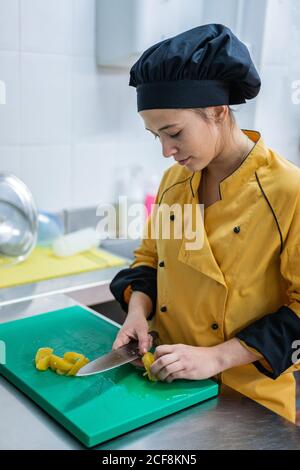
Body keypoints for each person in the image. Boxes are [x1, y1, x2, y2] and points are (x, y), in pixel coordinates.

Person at [110, 24, 300, 423]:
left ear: (217, 111)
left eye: (173, 132)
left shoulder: (288, 190)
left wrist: (215, 357)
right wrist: (138, 313)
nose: (165, 151)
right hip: (167, 383)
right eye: (155, 136)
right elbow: (149, 260)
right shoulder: (174, 181)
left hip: (247, 403)